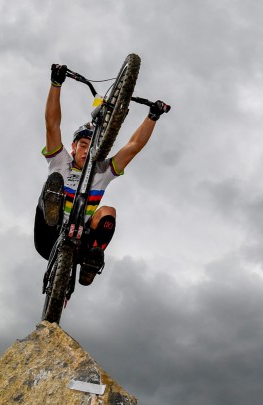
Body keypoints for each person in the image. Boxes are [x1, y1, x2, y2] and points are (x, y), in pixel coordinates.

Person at [34, 63, 167, 286]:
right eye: (83, 145)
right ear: (73, 147)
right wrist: (56, 83)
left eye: (91, 146)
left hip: (79, 242)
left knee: (108, 212)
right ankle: (53, 212)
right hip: (47, 235)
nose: (87, 150)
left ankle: (92, 260)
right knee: (55, 181)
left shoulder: (102, 171)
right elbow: (52, 125)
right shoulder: (60, 161)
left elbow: (133, 146)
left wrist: (153, 116)